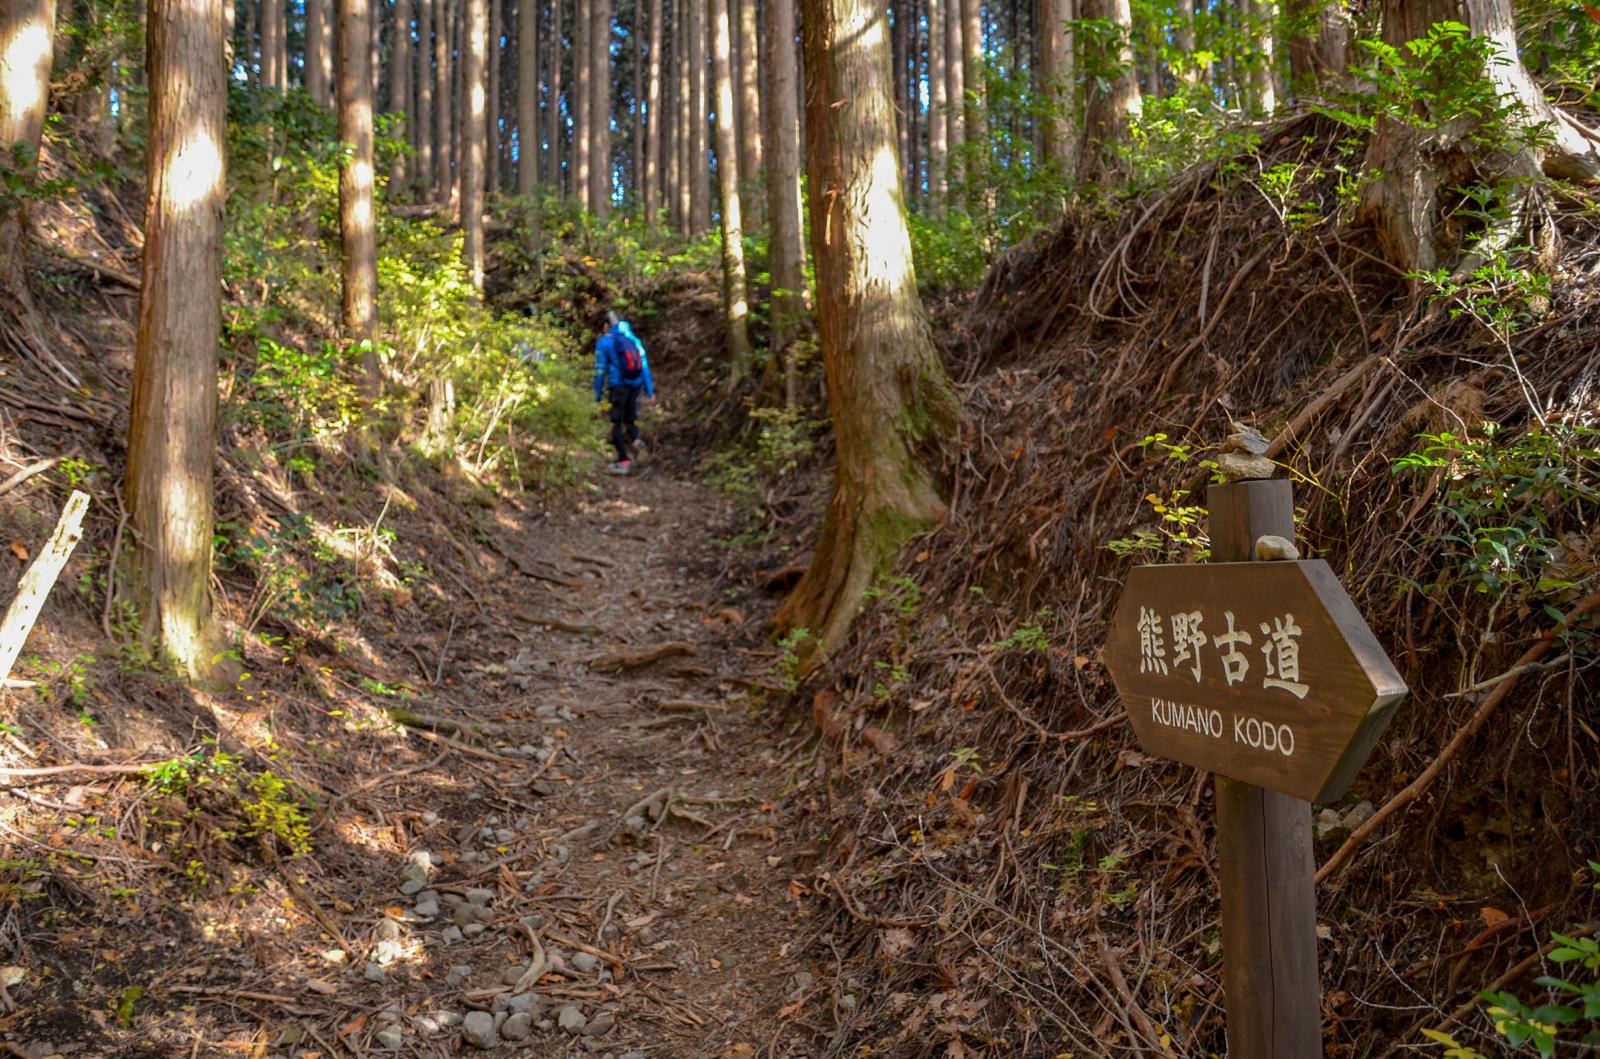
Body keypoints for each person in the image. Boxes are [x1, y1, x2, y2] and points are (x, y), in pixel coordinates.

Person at [593, 312, 655, 474]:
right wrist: (649, 391)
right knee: (630, 421)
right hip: (636, 386)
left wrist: (597, 395)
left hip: (618, 387)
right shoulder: (633, 339)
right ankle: (637, 441)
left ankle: (624, 462)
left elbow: (600, 370)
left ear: (607, 326)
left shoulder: (605, 341)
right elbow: (645, 366)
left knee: (616, 424)